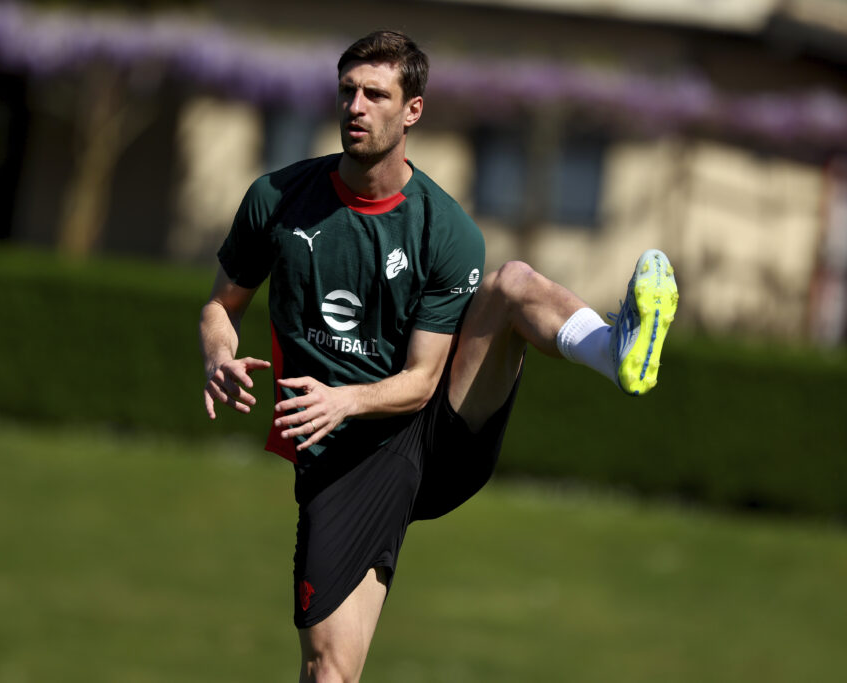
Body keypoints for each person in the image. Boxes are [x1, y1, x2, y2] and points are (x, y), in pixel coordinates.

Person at [199, 30, 678, 683]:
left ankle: (615, 348)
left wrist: (344, 399)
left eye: (375, 94)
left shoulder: (445, 230)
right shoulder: (277, 199)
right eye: (347, 91)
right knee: (329, 670)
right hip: (343, 465)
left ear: (412, 111)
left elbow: (422, 381)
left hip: (431, 434)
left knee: (512, 284)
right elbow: (222, 304)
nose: (356, 107)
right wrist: (218, 355)